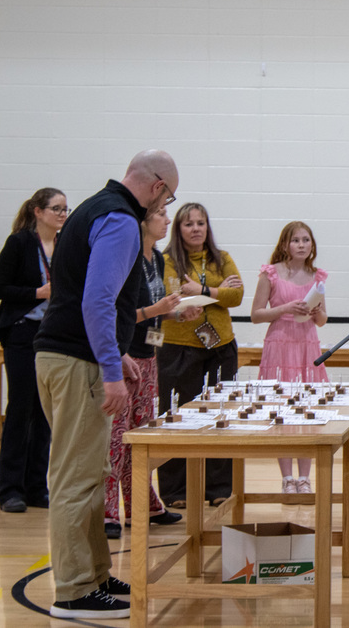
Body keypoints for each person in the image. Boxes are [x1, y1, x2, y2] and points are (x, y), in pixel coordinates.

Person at [34, 150, 179, 620]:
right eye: (169, 196)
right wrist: (111, 369)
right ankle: (74, 592)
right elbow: (97, 299)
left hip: (70, 356)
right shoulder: (118, 219)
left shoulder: (94, 208)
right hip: (75, 361)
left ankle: (96, 575)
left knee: (90, 473)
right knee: (76, 478)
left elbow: (81, 293)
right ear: (157, 187)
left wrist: (114, 353)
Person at [103, 204, 193, 539]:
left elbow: (154, 311)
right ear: (144, 222)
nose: (167, 221)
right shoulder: (126, 259)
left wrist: (174, 315)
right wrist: (156, 310)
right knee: (116, 438)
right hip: (123, 356)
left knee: (140, 437)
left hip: (149, 355)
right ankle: (109, 511)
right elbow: (114, 311)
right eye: (161, 216)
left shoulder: (156, 258)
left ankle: (144, 502)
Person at [156, 202, 243, 509]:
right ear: (178, 229)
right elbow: (174, 297)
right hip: (178, 347)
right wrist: (217, 291)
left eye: (201, 223)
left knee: (222, 415)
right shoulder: (165, 260)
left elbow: (237, 296)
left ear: (208, 227)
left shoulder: (222, 258)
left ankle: (218, 486)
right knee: (178, 416)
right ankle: (175, 490)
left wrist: (202, 288)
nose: (195, 229)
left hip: (221, 347)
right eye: (188, 224)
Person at [0, 188, 67, 513]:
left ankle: (37, 486)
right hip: (23, 331)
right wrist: (36, 292)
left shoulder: (65, 245)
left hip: (51, 334)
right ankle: (10, 488)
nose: (62, 215)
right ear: (38, 212)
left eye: (65, 209)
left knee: (45, 411)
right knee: (21, 407)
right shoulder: (21, 242)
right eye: (56, 209)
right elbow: (2, 287)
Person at [251, 221, 328, 494]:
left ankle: (305, 477)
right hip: (280, 344)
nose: (302, 245)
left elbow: (322, 319)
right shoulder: (270, 274)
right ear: (285, 244)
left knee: (306, 409)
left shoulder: (318, 276)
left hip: (307, 344)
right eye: (296, 240)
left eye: (306, 240)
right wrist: (284, 307)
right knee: (280, 409)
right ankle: (286, 478)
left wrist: (316, 313)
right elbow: (256, 314)